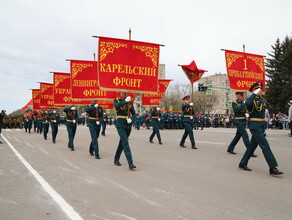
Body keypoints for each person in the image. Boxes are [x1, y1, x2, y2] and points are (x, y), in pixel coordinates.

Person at [239, 82, 283, 175]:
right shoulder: (251, 100)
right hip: (255, 125)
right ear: (253, 90)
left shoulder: (262, 100)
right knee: (265, 145)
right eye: (258, 89)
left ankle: (243, 163)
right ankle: (272, 167)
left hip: (261, 125)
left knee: (252, 146)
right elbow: (247, 103)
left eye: (261, 89)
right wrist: (253, 94)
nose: (260, 90)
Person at [227, 92, 257, 157]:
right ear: (237, 96)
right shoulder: (234, 103)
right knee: (245, 135)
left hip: (243, 121)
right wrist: (244, 104)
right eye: (238, 95)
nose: (240, 97)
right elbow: (237, 109)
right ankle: (250, 151)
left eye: (241, 96)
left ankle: (230, 148)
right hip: (238, 121)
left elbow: (247, 111)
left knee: (237, 136)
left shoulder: (243, 103)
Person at [113, 92, 137, 170]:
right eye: (122, 92)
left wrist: (132, 119)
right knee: (125, 142)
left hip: (128, 124)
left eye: (124, 92)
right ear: (120, 93)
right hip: (120, 124)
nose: (123, 93)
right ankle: (130, 162)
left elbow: (134, 114)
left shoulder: (130, 102)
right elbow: (116, 106)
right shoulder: (117, 100)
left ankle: (116, 159)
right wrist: (125, 101)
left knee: (122, 142)